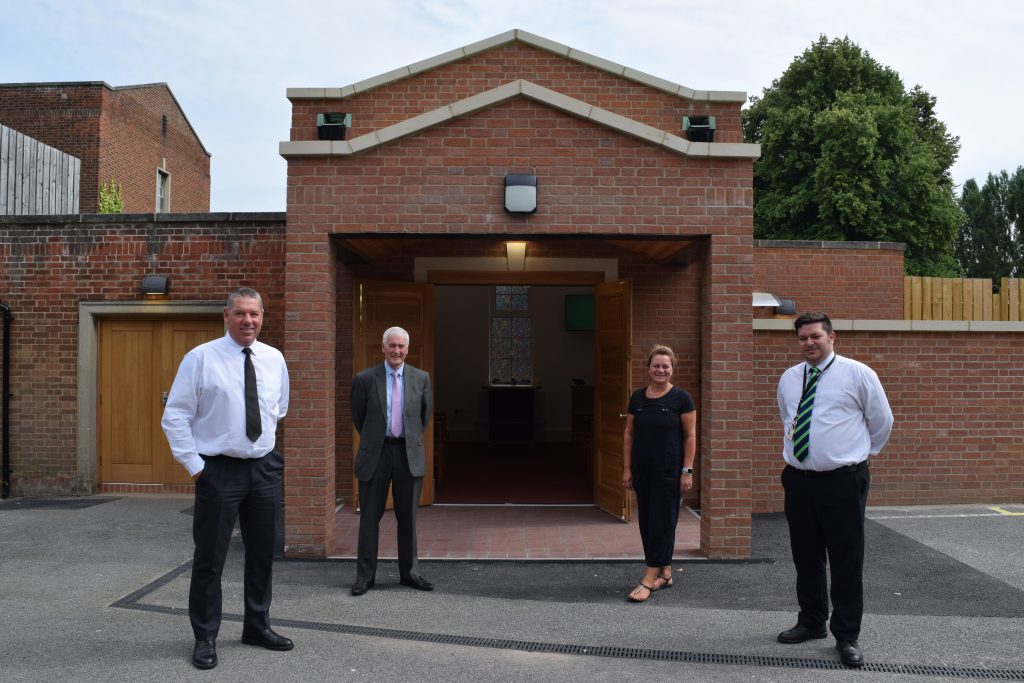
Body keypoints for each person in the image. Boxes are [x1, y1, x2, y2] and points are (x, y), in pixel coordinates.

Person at [161, 287, 293, 670]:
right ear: (226, 315)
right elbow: (175, 416)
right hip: (217, 470)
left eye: (254, 314)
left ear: (262, 316)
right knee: (210, 559)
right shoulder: (200, 358)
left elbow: (278, 409)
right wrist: (197, 466)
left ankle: (256, 625)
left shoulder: (273, 358)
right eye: (240, 313)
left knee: (262, 554)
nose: (247, 320)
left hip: (264, 468)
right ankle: (205, 636)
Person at [775, 312, 893, 668]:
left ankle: (847, 635)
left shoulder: (858, 374)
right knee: (806, 555)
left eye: (815, 336)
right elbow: (788, 418)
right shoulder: (790, 378)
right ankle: (812, 622)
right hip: (798, 480)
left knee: (845, 558)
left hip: (843, 480)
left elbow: (881, 421)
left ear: (831, 337)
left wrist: (854, 456)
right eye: (802, 338)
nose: (809, 343)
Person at [350, 326, 434, 596]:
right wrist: (377, 438)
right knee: (369, 519)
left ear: (407, 349)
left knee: (407, 518)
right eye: (392, 346)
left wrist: (404, 439)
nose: (396, 351)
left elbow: (422, 418)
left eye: (401, 346)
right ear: (383, 348)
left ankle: (410, 573)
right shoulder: (364, 379)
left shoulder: (421, 379)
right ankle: (365, 576)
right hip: (376, 453)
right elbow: (359, 417)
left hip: (407, 454)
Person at [622, 344, 697, 603]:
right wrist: (627, 468)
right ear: (648, 368)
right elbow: (629, 434)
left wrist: (687, 471)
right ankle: (664, 572)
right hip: (643, 471)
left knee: (662, 524)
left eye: (666, 366)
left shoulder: (682, 399)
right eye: (656, 365)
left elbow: (690, 437)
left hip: (669, 472)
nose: (661, 370)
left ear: (672, 369)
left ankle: (648, 577)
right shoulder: (638, 398)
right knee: (647, 522)